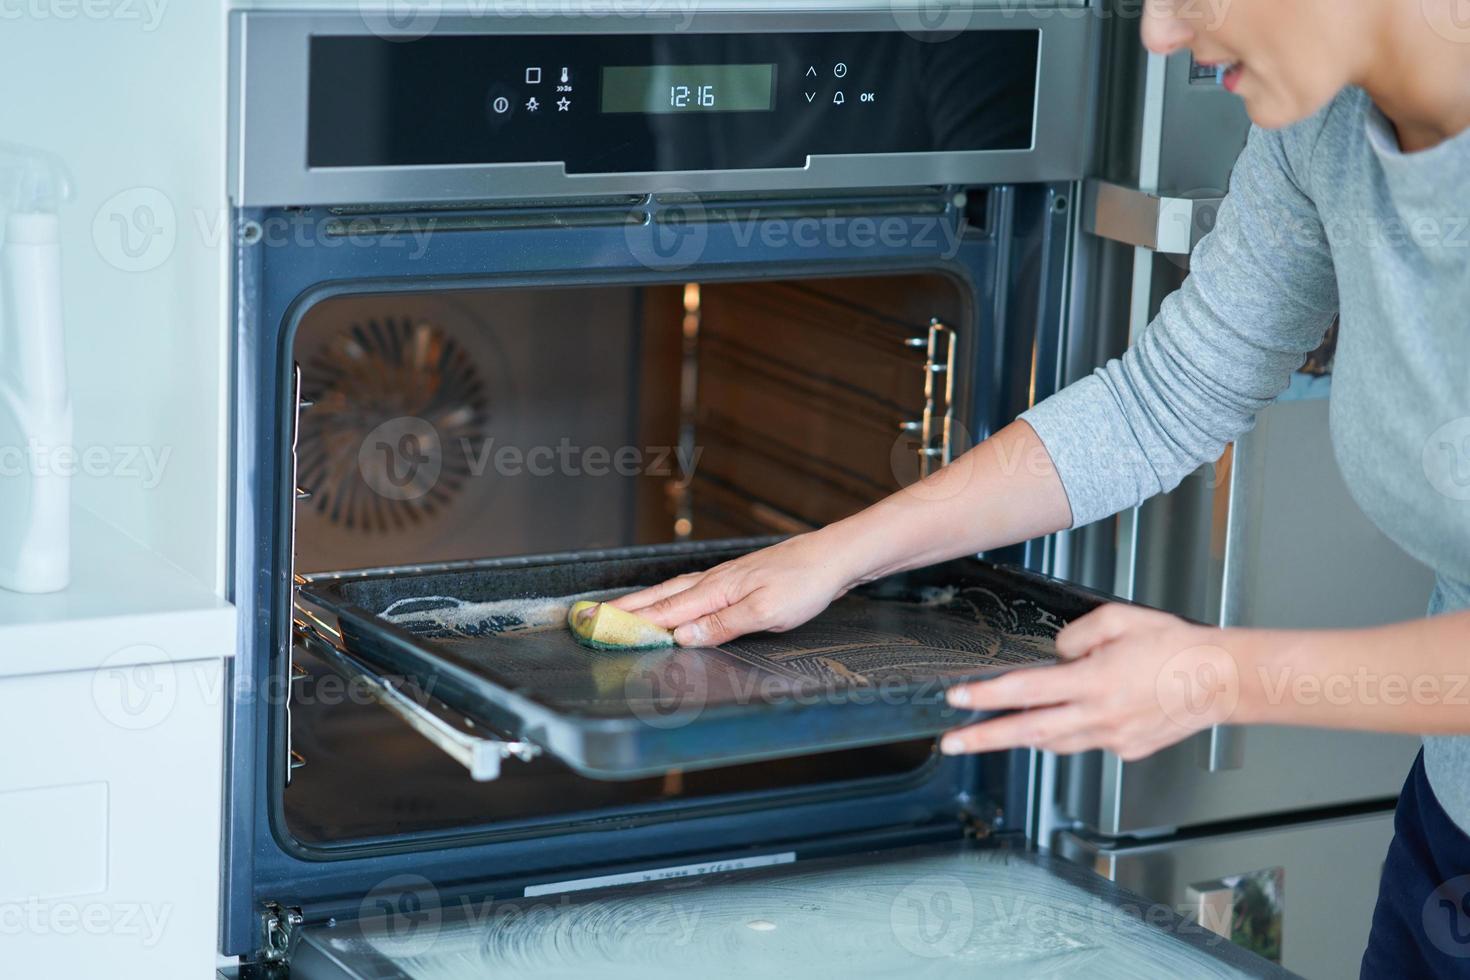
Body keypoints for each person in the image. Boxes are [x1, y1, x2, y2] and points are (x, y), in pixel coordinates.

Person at [614, 1, 1470, 974]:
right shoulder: (1322, 133)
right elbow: (1164, 398)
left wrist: (1221, 676)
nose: (1157, 35)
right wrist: (834, 553)